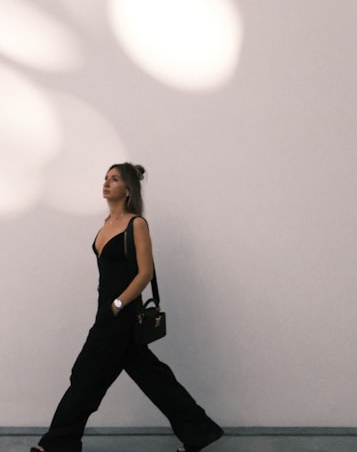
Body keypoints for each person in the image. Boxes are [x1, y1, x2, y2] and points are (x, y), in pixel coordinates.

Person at [31, 163, 223, 452]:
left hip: (120, 315)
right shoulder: (106, 225)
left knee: (85, 376)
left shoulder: (137, 224)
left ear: (128, 189)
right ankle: (200, 430)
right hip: (107, 313)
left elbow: (144, 273)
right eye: (106, 178)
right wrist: (109, 308)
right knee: (153, 378)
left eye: (115, 179)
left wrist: (119, 304)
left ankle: (58, 443)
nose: (107, 183)